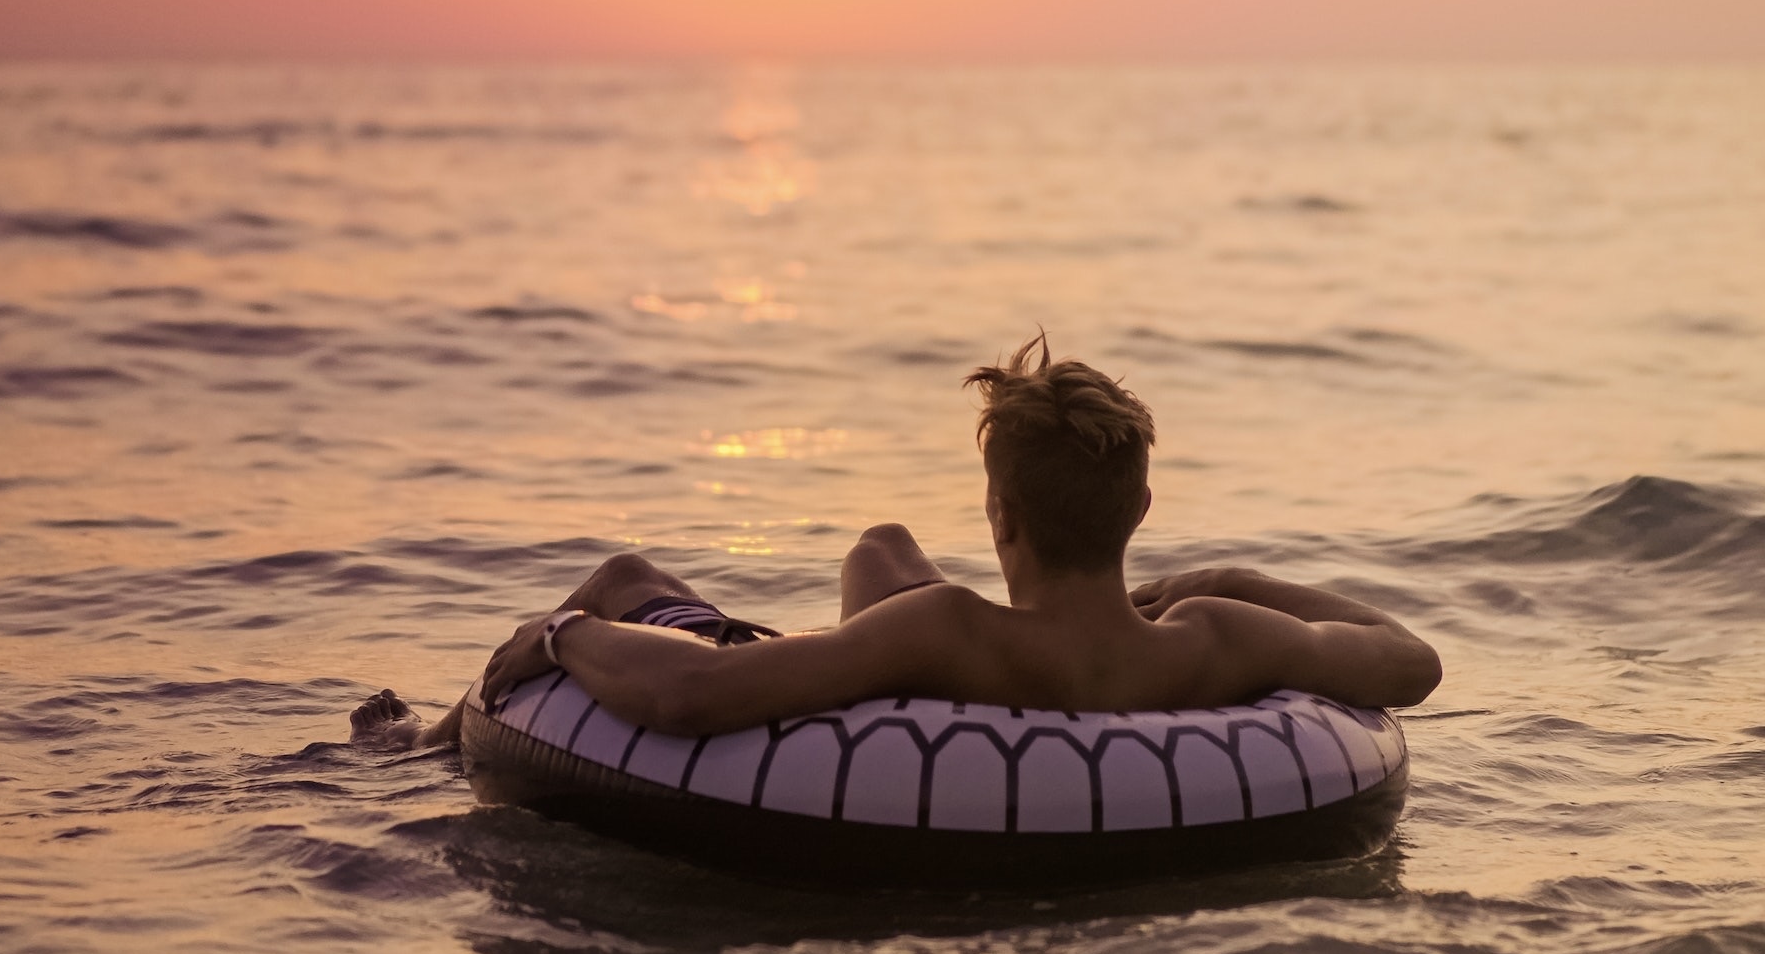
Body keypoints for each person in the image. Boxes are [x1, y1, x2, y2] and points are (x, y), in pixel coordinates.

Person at [350, 332, 1441, 749]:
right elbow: (1409, 658)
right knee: (879, 545)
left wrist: (562, 632)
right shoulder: (1214, 637)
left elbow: (688, 701)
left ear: (1001, 515)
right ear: (1140, 514)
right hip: (1098, 640)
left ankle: (429, 740)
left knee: (633, 575)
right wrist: (1227, 576)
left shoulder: (950, 633)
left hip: (946, 674)